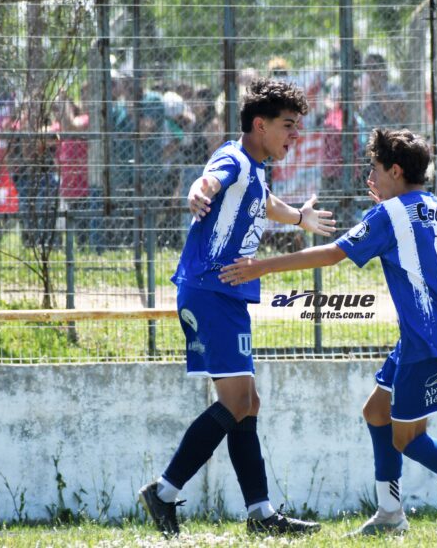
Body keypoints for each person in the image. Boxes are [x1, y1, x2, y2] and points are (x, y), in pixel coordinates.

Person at [219, 128, 437, 536]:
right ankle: (389, 514)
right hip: (435, 332)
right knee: (376, 412)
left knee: (408, 439)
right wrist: (389, 209)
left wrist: (260, 266)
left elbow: (333, 254)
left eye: (376, 169)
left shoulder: (389, 215)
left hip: (425, 339)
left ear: (396, 171)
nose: (370, 178)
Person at [137, 77, 336, 537]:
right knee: (237, 401)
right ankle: (164, 492)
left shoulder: (255, 168)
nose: (295, 135)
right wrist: (197, 190)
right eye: (288, 125)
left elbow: (262, 202)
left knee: (248, 403)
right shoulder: (233, 157)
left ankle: (261, 514)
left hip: (224, 294)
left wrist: (299, 217)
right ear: (260, 125)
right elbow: (211, 178)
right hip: (211, 290)